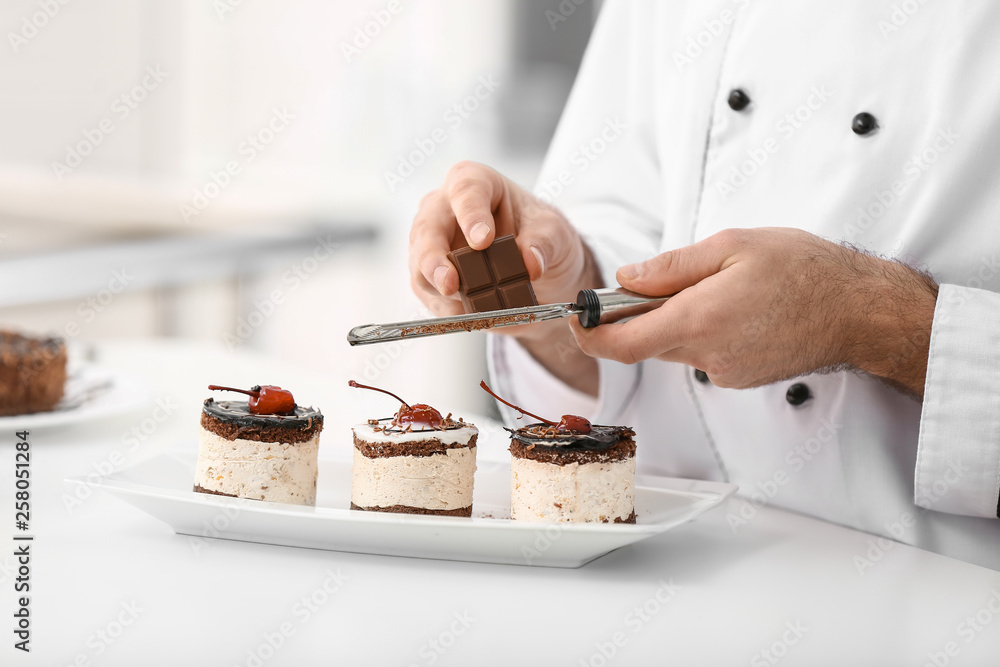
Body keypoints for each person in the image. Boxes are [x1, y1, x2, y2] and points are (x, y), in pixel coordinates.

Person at [407, 0, 1000, 570]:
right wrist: (562, 283)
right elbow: (622, 229)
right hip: (665, 556)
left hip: (945, 594)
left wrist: (861, 319)